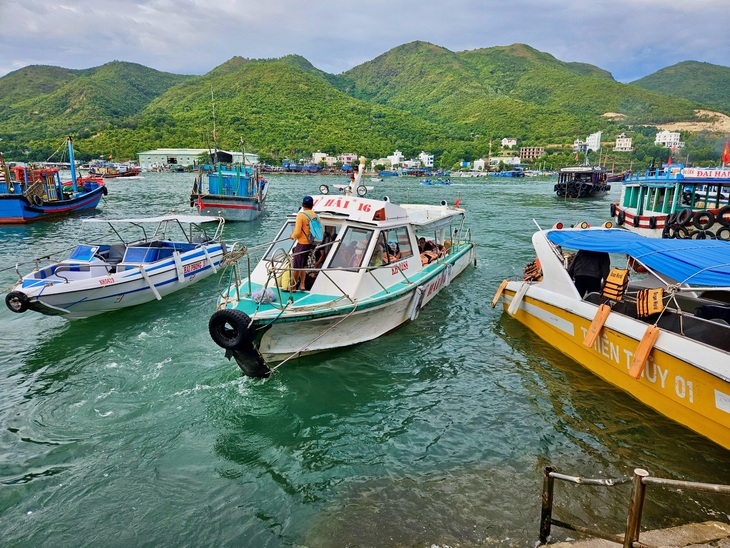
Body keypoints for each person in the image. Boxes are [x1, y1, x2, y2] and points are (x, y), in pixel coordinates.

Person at [289, 195, 315, 291]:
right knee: (303, 265)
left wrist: (292, 236)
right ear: (313, 205)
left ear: (302, 205)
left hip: (302, 244)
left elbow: (297, 232)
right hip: (311, 244)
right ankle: (302, 285)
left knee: (296, 266)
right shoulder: (315, 216)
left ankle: (293, 286)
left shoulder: (301, 215)